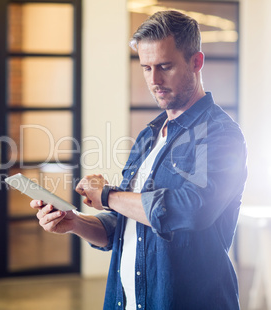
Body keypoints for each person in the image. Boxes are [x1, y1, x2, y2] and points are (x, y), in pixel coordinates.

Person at [30, 10, 247, 310]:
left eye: (165, 66)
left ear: (196, 62)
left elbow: (191, 209)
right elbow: (126, 223)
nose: (154, 80)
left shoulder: (221, 134)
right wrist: (75, 222)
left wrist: (107, 195)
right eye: (146, 68)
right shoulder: (149, 135)